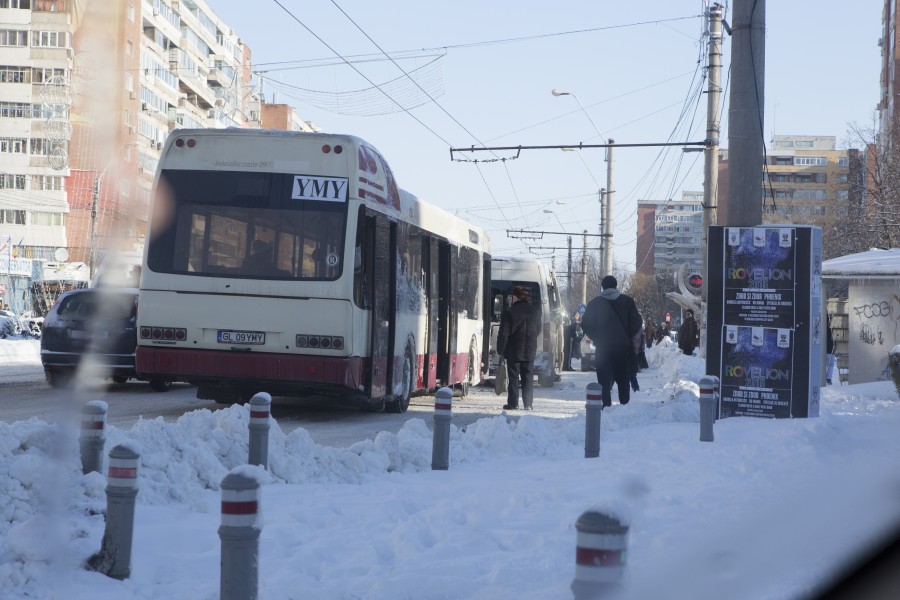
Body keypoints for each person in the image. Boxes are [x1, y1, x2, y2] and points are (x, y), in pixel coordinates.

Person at [580, 275, 642, 408]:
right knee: (623, 379)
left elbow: (585, 323)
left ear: (603, 287)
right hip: (623, 349)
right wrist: (626, 335)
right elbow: (637, 322)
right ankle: (624, 406)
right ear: (616, 286)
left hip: (603, 349)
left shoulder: (595, 303)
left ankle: (605, 406)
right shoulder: (627, 301)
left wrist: (596, 337)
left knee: (604, 379)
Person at [496, 285, 542, 410]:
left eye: (513, 296)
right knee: (528, 377)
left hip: (514, 350)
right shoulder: (536, 313)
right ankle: (528, 404)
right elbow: (538, 330)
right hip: (530, 350)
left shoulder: (509, 312)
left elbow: (504, 333)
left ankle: (513, 403)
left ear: (515, 297)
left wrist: (500, 349)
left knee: (513, 377)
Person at [825, 315, 836, 385]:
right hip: (828, 347)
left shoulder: (833, 328)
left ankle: (828, 378)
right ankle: (827, 378)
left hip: (831, 347)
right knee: (828, 363)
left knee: (830, 364)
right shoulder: (827, 328)